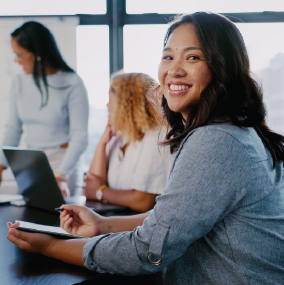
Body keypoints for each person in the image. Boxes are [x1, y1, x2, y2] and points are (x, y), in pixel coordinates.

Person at [7, 12, 284, 284]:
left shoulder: (216, 140)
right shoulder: (234, 130)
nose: (174, 69)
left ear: (223, 68)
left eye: (193, 57)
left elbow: (146, 250)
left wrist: (49, 247)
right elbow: (174, 217)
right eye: (168, 56)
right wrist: (102, 224)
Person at [0, 21, 89, 196]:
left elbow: (79, 136)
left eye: (20, 54)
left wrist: (61, 174)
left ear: (38, 53)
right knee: (26, 217)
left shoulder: (72, 83)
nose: (16, 60)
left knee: (64, 219)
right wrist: (1, 165)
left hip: (64, 162)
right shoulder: (18, 81)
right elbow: (13, 129)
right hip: (31, 162)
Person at [84, 72, 174, 212]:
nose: (107, 105)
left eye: (110, 99)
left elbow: (142, 201)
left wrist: (101, 192)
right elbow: (92, 183)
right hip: (116, 218)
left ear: (125, 104)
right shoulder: (120, 138)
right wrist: (102, 144)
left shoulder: (157, 137)